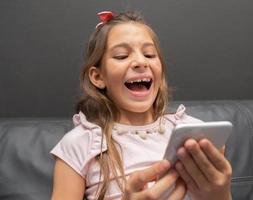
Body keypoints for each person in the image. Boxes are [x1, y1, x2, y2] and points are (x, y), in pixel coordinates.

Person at [50, 11, 232, 200]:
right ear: (98, 77)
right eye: (121, 56)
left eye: (149, 54)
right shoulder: (80, 144)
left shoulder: (194, 133)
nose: (140, 61)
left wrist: (221, 195)